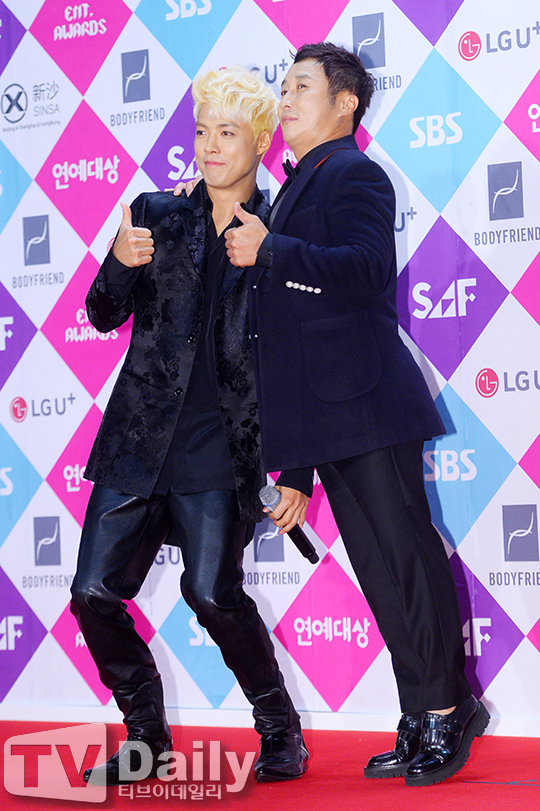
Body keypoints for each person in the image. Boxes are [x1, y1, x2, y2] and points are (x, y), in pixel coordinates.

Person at [221, 43, 490, 788]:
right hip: (328, 417)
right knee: (380, 572)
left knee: (407, 560)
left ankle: (448, 708)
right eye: (282, 86)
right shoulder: (292, 188)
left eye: (301, 86)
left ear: (345, 103)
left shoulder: (353, 173)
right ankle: (421, 712)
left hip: (368, 403)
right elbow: (290, 339)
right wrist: (295, 466)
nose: (285, 99)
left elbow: (368, 270)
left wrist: (273, 250)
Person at [70, 65, 309, 787]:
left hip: (221, 449)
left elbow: (299, 361)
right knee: (91, 593)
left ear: (260, 142)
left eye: (227, 132)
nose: (209, 146)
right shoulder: (155, 212)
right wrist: (118, 263)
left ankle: (279, 725)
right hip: (139, 440)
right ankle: (146, 737)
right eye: (203, 130)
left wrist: (298, 471)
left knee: (211, 594)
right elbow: (101, 314)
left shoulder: (280, 233)